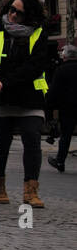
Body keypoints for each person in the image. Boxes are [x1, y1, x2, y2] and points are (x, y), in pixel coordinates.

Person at [0, 0, 52, 206]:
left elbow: (34, 66)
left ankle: (30, 191)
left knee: (32, 141)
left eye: (19, 12)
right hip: (0, 98)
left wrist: (6, 82)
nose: (13, 15)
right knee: (1, 145)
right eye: (11, 9)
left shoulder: (39, 34)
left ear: (29, 15)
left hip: (29, 97)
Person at [48, 44, 77, 173]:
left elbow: (54, 91)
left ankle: (60, 161)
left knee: (66, 135)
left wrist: (50, 108)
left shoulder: (61, 70)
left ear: (64, 56)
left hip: (67, 108)